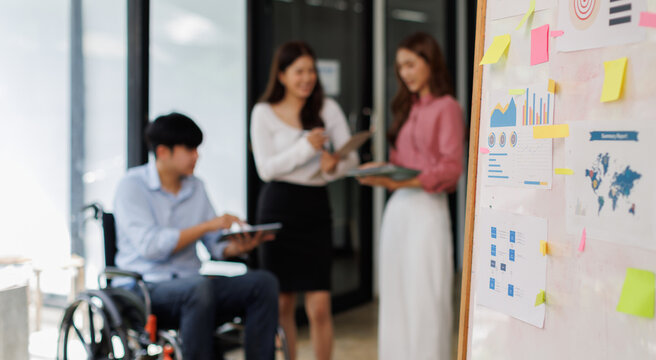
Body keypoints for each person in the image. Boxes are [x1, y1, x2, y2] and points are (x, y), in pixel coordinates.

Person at [113, 112, 279, 360]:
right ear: (162, 152)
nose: (196, 155)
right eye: (189, 149)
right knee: (198, 288)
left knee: (262, 283)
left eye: (197, 149)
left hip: (195, 289)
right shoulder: (132, 186)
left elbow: (214, 246)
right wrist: (207, 226)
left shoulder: (196, 186)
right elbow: (151, 247)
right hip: (145, 288)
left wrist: (240, 246)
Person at [358, 32, 464, 359]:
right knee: (396, 296)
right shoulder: (407, 108)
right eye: (400, 67)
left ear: (429, 62)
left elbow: (450, 169)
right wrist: (382, 168)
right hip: (398, 212)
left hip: (427, 210)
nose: (404, 73)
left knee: (425, 298)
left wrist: (399, 183)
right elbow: (403, 163)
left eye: (410, 64)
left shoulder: (448, 108)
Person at [250, 41, 359, 360]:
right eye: (299, 71)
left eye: (311, 70)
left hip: (314, 206)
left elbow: (349, 158)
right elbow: (266, 169)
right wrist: (306, 149)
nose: (307, 78)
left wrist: (334, 166)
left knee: (321, 305)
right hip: (278, 206)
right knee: (282, 302)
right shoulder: (263, 113)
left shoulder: (328, 109)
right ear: (282, 75)